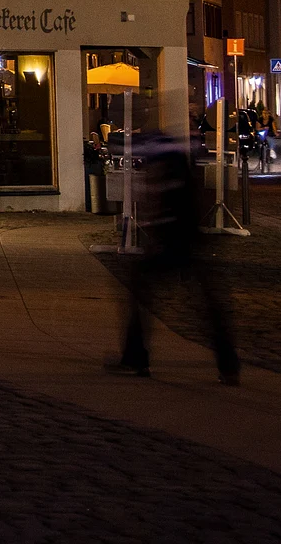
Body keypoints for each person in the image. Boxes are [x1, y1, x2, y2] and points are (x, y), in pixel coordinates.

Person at [110, 133, 240, 385]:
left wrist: (156, 236)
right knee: (208, 302)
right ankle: (228, 362)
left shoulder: (161, 163)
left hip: (171, 241)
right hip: (188, 239)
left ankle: (135, 357)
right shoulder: (178, 162)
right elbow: (190, 201)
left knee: (141, 292)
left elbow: (162, 204)